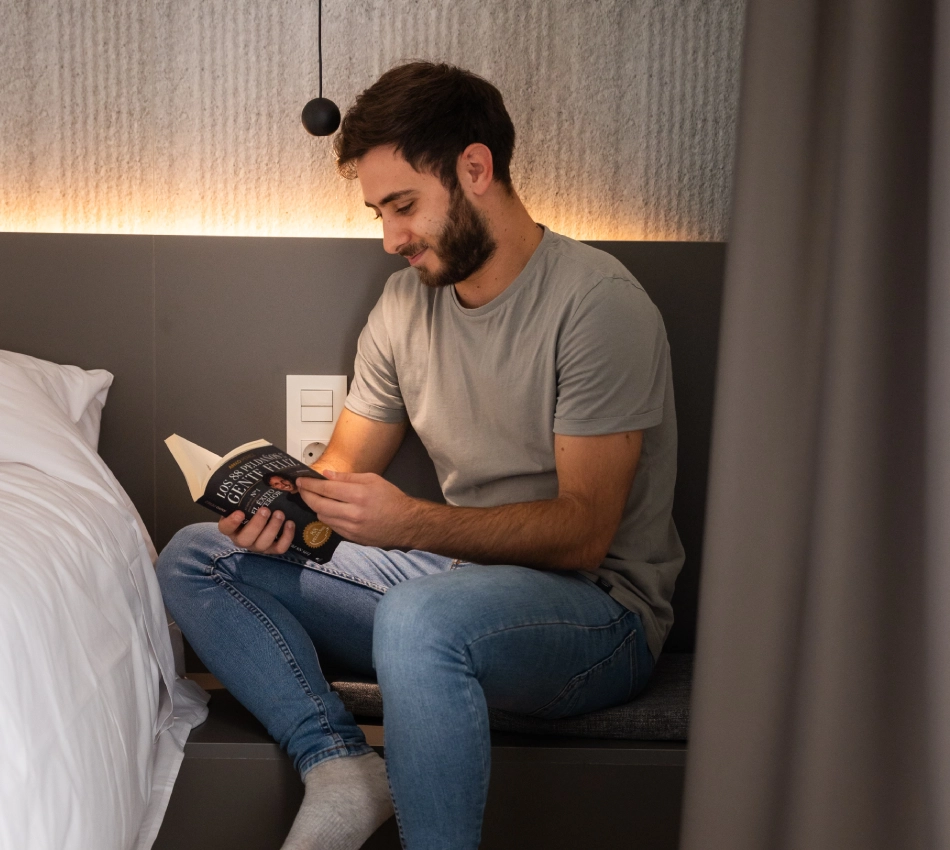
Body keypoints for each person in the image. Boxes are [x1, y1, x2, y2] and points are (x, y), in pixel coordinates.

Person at [157, 61, 684, 850]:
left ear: (475, 169)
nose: (391, 238)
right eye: (378, 212)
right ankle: (339, 765)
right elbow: (340, 463)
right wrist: (281, 506)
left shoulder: (597, 306)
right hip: (453, 587)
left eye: (403, 206)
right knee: (194, 558)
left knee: (419, 615)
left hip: (597, 615)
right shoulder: (405, 303)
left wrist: (409, 525)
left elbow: (584, 532)